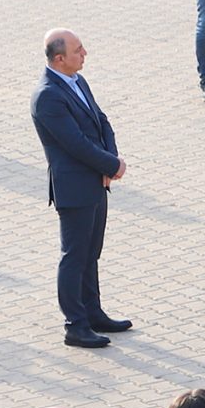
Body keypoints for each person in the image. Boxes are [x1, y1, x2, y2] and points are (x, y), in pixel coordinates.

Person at [32, 29, 128, 348]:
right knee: (74, 256)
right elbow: (74, 144)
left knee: (91, 253)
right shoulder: (48, 96)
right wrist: (110, 166)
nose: (85, 53)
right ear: (59, 59)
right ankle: (75, 324)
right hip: (74, 187)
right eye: (78, 49)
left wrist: (109, 160)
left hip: (96, 182)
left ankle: (93, 312)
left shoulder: (76, 81)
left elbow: (101, 121)